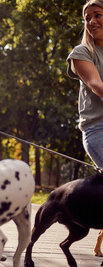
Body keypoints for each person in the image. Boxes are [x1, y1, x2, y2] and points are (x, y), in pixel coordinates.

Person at [67, 0, 103, 169]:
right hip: (98, 129)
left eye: (98, 15)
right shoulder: (81, 52)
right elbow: (95, 84)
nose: (92, 21)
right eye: (87, 18)